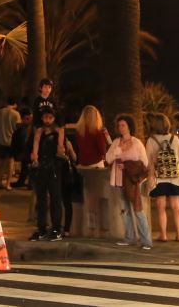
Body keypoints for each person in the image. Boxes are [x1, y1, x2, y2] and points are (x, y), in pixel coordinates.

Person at [105, 114, 152, 250]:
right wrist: (116, 152)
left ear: (130, 126)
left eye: (123, 125)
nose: (121, 128)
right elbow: (108, 159)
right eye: (119, 125)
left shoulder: (137, 143)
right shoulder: (115, 142)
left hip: (132, 181)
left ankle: (146, 241)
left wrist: (129, 167)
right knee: (124, 209)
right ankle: (130, 237)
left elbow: (145, 163)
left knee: (138, 210)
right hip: (118, 180)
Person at [146, 114, 179, 242]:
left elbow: (149, 161)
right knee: (176, 206)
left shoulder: (151, 140)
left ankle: (163, 235)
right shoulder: (175, 139)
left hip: (160, 177)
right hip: (175, 176)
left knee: (160, 206)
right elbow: (178, 157)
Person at [28, 108, 68, 241]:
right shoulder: (39, 131)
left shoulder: (59, 132)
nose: (47, 120)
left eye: (50, 118)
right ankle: (42, 228)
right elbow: (34, 146)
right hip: (42, 168)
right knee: (41, 199)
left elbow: (61, 149)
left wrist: (60, 150)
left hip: (54, 168)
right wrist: (35, 159)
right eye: (45, 117)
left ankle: (56, 229)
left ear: (54, 118)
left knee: (55, 198)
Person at [73, 105, 112, 238]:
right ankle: (98, 227)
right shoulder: (98, 131)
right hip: (96, 166)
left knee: (87, 199)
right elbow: (102, 149)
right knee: (99, 198)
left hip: (83, 166)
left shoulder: (79, 131)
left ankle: (88, 226)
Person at [0, 97, 22, 191]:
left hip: (1, 141)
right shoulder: (16, 114)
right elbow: (18, 128)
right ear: (15, 104)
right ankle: (7, 184)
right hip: (11, 141)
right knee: (10, 163)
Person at [11, 108, 35, 189]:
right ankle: (24, 182)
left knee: (29, 166)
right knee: (26, 166)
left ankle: (29, 183)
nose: (29, 120)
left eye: (30, 118)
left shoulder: (32, 128)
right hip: (26, 150)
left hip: (30, 150)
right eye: (27, 118)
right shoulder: (23, 129)